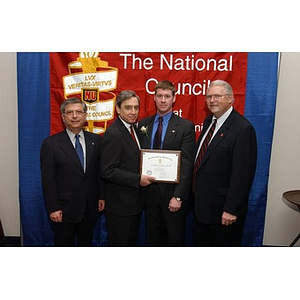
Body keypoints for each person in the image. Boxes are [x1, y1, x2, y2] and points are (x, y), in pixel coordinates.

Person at [193, 80, 257, 246]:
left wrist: (231, 209)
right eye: (209, 96)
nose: (212, 100)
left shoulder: (243, 129)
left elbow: (242, 175)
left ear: (231, 99)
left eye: (217, 96)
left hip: (223, 213)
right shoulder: (209, 122)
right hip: (202, 209)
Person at [40, 97, 105, 246]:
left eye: (78, 112)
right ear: (63, 117)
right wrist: (54, 208)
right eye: (70, 112)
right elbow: (48, 180)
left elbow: (98, 173)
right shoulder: (51, 144)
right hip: (64, 210)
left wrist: (102, 196)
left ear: (85, 116)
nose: (75, 116)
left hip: (89, 208)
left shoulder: (96, 141)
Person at [138, 80, 196, 246]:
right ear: (154, 98)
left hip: (172, 196)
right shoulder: (144, 124)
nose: (163, 100)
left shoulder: (185, 127)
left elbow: (187, 164)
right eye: (159, 96)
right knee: (153, 240)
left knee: (174, 240)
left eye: (167, 96)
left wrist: (178, 196)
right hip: (149, 195)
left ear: (174, 99)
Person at [101, 90, 154, 246]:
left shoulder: (134, 130)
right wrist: (138, 180)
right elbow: (108, 171)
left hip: (133, 204)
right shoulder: (114, 133)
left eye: (136, 108)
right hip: (120, 206)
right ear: (117, 109)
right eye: (128, 108)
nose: (133, 112)